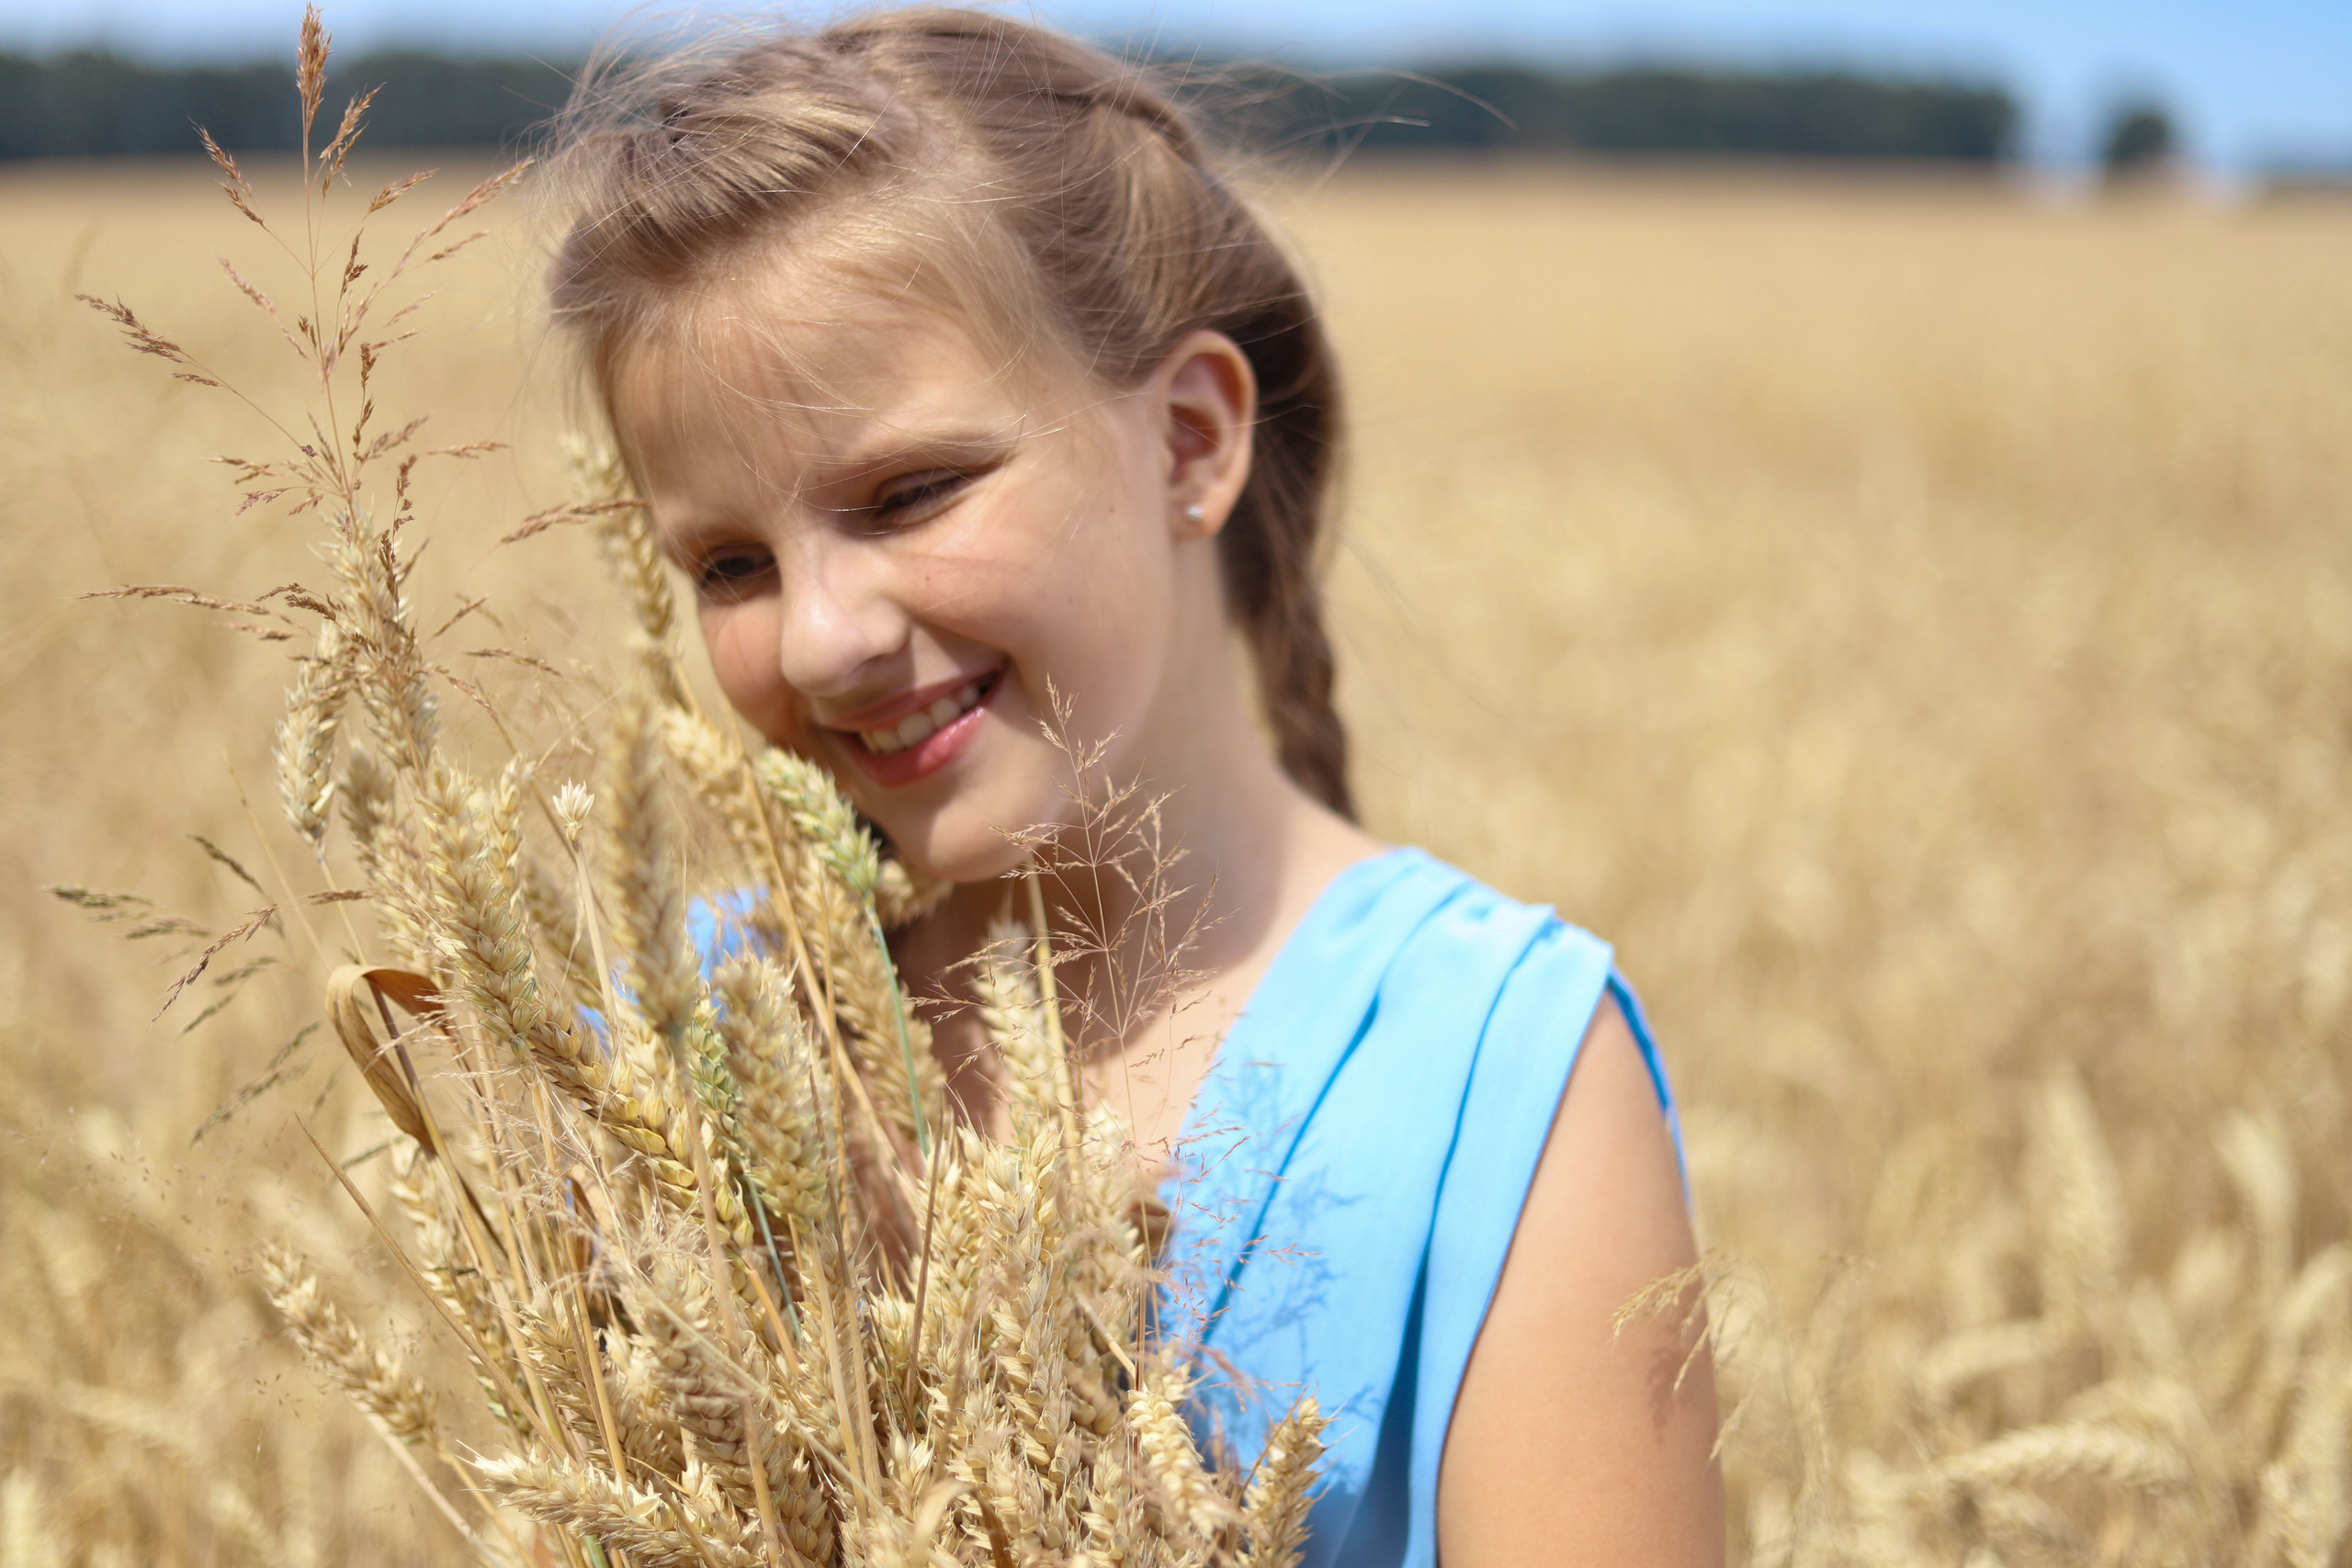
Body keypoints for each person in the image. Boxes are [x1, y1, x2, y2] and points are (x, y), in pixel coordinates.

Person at [548, 10, 1723, 1564]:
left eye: (910, 492)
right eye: (729, 564)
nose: (824, 639)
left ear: (1188, 440)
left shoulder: (1502, 1084)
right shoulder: (672, 1050)